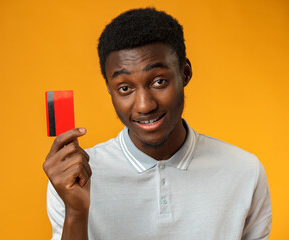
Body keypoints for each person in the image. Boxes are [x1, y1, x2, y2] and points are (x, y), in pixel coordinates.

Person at [43, 8, 272, 240]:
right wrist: (76, 213)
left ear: (185, 73)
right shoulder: (73, 179)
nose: (144, 105)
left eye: (159, 81)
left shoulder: (245, 171)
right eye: (125, 88)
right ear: (110, 91)